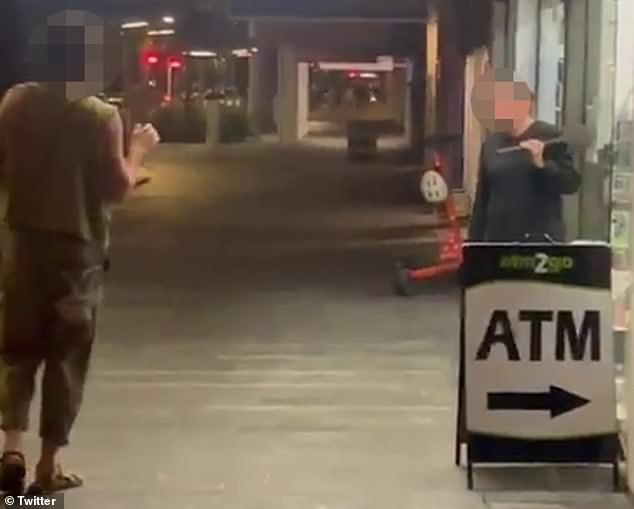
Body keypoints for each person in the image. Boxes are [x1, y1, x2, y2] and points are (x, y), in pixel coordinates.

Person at [0, 29, 160, 495]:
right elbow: (117, 188)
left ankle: (11, 449)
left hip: (23, 242)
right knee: (66, 356)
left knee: (17, 348)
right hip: (77, 250)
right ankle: (48, 468)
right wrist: (139, 150)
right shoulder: (100, 116)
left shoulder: (14, 103)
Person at [468, 70, 581, 242]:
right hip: (497, 243)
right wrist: (473, 245)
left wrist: (542, 164)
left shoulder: (551, 136)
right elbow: (482, 201)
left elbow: (571, 183)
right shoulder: (491, 144)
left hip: (538, 244)